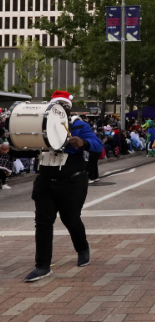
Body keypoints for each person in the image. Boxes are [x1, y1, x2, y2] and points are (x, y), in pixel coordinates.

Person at [0, 91, 103, 282]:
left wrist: (83, 142)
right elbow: (31, 152)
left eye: (63, 108)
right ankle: (42, 266)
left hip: (72, 181)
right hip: (45, 182)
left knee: (70, 219)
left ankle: (82, 247)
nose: (60, 111)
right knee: (43, 223)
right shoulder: (41, 127)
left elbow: (98, 145)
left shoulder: (79, 125)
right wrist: (11, 151)